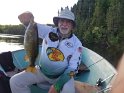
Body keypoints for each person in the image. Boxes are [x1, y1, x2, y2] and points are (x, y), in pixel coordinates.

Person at [10, 7, 83, 93]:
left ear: (72, 26)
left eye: (68, 22)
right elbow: (28, 23)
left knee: (68, 91)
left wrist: (58, 86)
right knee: (15, 81)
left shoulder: (77, 44)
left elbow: (73, 69)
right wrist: (28, 16)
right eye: (62, 21)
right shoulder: (48, 31)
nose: (64, 24)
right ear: (58, 23)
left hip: (62, 76)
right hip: (41, 71)